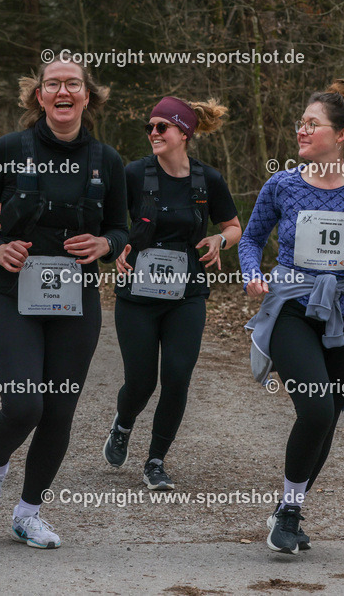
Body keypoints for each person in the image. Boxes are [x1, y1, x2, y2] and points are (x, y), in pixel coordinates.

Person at [0, 60, 128, 549]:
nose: (62, 91)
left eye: (72, 84)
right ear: (39, 96)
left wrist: (106, 246)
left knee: (58, 413)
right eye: (52, 84)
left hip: (75, 300)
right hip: (10, 294)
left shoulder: (108, 159)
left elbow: (121, 227)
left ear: (86, 96)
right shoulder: (10, 149)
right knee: (25, 403)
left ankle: (28, 512)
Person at [238, 79, 344, 554]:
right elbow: (251, 240)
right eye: (301, 123)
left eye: (313, 124)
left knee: (328, 417)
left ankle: (287, 509)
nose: (302, 130)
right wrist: (253, 274)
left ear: (341, 135)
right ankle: (288, 515)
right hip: (291, 305)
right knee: (315, 406)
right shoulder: (282, 184)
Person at [102, 96, 241, 491]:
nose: (153, 134)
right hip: (137, 296)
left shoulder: (207, 179)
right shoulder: (133, 174)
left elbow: (233, 226)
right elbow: (108, 223)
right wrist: (116, 248)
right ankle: (123, 423)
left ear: (184, 132)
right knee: (141, 382)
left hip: (187, 295)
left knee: (177, 377)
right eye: (149, 127)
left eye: (161, 127)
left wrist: (219, 239)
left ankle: (156, 461)